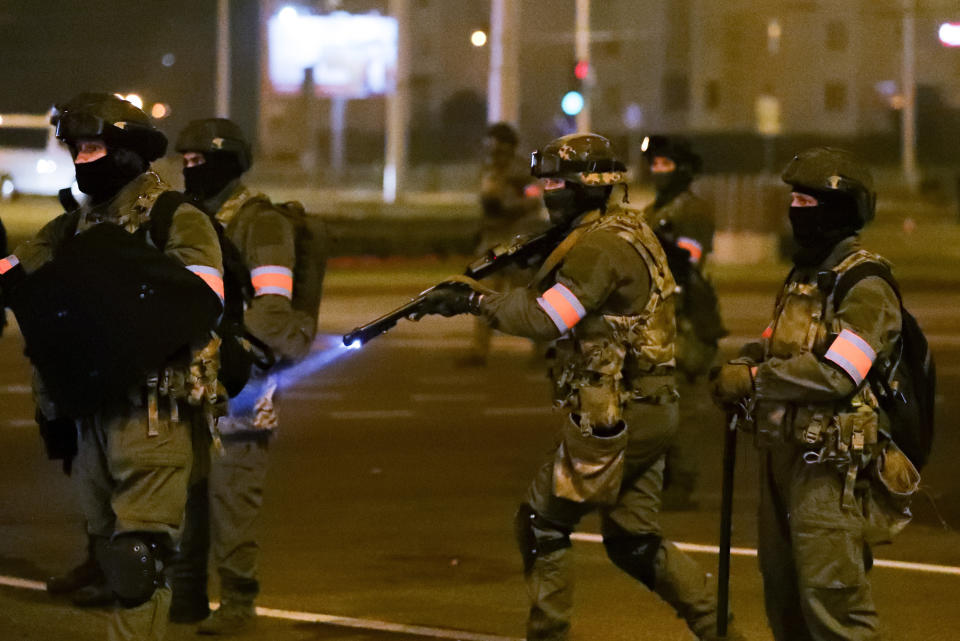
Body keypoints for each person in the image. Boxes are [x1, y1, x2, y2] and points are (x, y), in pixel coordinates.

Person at [414, 133, 745, 641]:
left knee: (541, 524)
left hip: (615, 416)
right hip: (651, 408)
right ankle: (719, 629)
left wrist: (473, 302)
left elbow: (548, 317)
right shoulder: (626, 228)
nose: (547, 192)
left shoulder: (600, 246)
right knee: (633, 539)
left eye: (555, 183)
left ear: (586, 188)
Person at [0, 93, 225, 641]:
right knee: (105, 552)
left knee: (137, 561)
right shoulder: (73, 226)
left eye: (93, 147)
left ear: (126, 153)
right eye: (75, 149)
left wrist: (112, 279)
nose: (81, 160)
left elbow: (203, 297)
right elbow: (23, 282)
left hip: (153, 412)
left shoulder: (175, 216)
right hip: (90, 414)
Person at [711, 147, 917, 640]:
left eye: (808, 203)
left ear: (840, 209)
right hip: (783, 457)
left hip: (829, 471)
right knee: (783, 598)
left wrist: (759, 382)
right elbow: (775, 341)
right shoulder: (806, 277)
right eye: (794, 201)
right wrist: (745, 360)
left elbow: (839, 372)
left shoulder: (865, 285)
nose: (796, 212)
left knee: (833, 604)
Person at [169, 118, 323, 635]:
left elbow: (272, 308)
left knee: (232, 500)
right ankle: (185, 596)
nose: (192, 171)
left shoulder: (260, 223)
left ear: (230, 162)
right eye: (185, 163)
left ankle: (238, 602)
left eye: (200, 162)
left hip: (241, 384)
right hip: (188, 380)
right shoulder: (191, 218)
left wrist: (233, 357)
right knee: (185, 497)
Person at [640, 135, 725, 510]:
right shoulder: (651, 211)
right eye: (654, 165)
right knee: (652, 404)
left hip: (686, 320)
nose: (658, 172)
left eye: (666, 165)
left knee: (683, 408)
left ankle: (682, 483)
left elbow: (686, 259)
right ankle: (663, 479)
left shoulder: (693, 211)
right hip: (657, 320)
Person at [465, 121, 546, 366]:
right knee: (483, 297)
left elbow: (535, 199)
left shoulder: (521, 170)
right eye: (491, 145)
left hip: (516, 242)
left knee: (528, 299)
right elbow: (484, 204)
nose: (494, 151)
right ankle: (479, 351)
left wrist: (509, 208)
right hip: (492, 242)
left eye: (499, 145)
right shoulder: (488, 170)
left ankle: (541, 350)